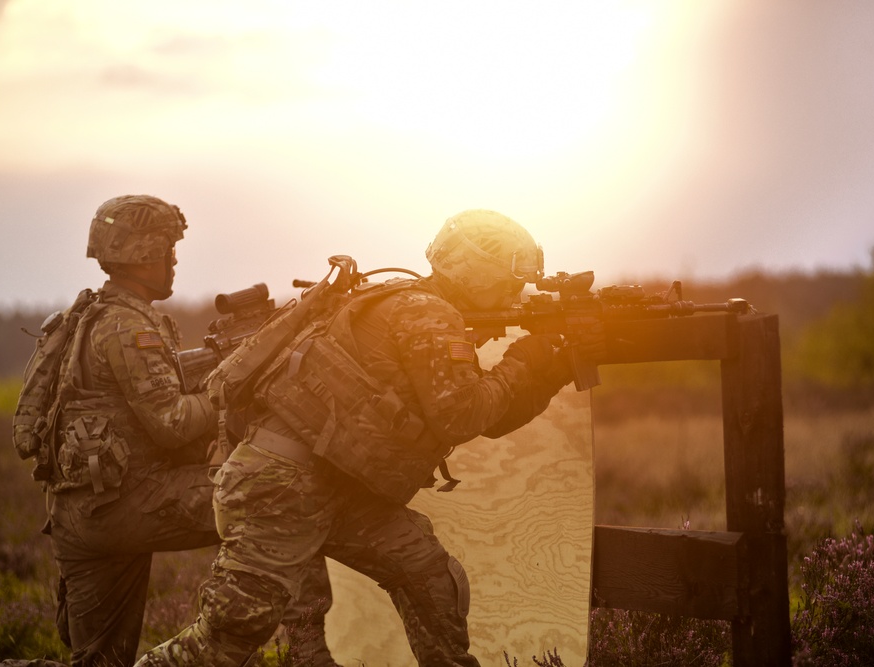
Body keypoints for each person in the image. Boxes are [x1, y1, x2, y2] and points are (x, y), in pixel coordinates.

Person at [133, 209, 585, 667]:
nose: (517, 290)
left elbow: (486, 416)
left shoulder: (406, 302)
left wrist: (547, 372)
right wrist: (521, 363)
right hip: (280, 490)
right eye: (512, 277)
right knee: (226, 638)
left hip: (334, 485)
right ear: (478, 269)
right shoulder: (428, 313)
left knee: (426, 573)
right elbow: (463, 415)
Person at [0, 195, 338, 667]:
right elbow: (173, 423)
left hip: (78, 517)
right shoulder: (127, 326)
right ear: (143, 255)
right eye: (167, 251)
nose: (174, 261)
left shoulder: (89, 316)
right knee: (280, 497)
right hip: (131, 501)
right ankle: (308, 655)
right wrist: (227, 383)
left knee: (98, 664)